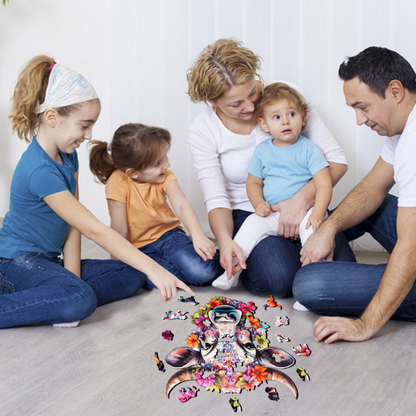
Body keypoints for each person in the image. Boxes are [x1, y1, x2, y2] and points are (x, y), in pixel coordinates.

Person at [0, 55, 194, 329]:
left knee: (130, 273)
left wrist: (73, 277)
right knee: (79, 299)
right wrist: (156, 270)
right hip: (15, 262)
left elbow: (74, 226)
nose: (89, 134)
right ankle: (55, 298)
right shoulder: (39, 170)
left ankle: (54, 296)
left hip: (48, 261)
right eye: (84, 125)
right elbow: (95, 229)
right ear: (52, 117)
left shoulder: (68, 157)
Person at [187, 38, 355, 297]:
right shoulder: (203, 129)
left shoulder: (284, 100)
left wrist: (300, 202)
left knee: (342, 269)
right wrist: (225, 241)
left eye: (252, 92)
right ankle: (263, 261)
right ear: (211, 101)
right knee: (279, 280)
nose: (251, 107)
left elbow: (336, 161)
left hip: (307, 201)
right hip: (251, 211)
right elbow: (216, 198)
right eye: (236, 104)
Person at [293, 46, 416, 343]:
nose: (360, 120)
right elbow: (372, 188)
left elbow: (410, 249)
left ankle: (378, 284)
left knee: (310, 284)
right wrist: (328, 229)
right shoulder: (402, 127)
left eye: (363, 107)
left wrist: (363, 325)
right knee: (366, 206)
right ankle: (331, 255)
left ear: (395, 91)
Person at [212, 83, 332, 290]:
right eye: (276, 117)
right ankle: (231, 273)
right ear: (264, 124)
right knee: (248, 229)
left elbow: (323, 184)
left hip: (306, 212)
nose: (285, 121)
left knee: (314, 242)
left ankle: (313, 287)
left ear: (303, 118)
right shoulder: (262, 151)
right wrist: (258, 203)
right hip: (273, 212)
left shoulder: (310, 150)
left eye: (291, 114)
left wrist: (318, 214)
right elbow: (254, 182)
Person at [89, 123, 222, 287]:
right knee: (154, 281)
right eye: (158, 163)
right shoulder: (117, 181)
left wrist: (198, 235)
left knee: (202, 272)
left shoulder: (165, 175)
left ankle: (223, 255)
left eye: (165, 157)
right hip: (139, 248)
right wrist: (118, 263)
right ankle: (183, 269)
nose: (167, 165)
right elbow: (118, 228)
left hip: (169, 236)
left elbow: (181, 205)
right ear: (133, 172)